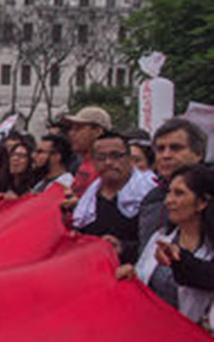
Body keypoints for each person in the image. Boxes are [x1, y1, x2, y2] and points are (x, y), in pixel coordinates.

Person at [120, 164, 214, 326]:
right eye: (169, 192)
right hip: (152, 332)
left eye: (179, 193)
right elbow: (143, 282)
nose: (168, 201)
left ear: (202, 203)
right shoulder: (160, 237)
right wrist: (131, 275)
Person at [74, 132, 157, 264]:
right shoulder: (88, 200)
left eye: (116, 156)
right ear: (94, 162)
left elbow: (156, 244)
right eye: (101, 157)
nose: (108, 162)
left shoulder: (150, 194)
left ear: (130, 159)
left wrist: (124, 247)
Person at [139, 118, 207, 251]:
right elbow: (145, 247)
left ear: (198, 154)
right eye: (160, 149)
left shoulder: (209, 193)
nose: (166, 155)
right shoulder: (152, 198)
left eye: (175, 148)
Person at [58, 106, 111, 196]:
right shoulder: (84, 162)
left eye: (78, 129)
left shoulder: (107, 166)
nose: (71, 133)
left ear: (98, 131)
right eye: (71, 129)